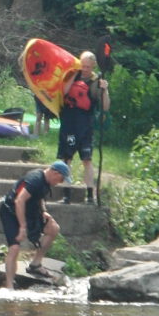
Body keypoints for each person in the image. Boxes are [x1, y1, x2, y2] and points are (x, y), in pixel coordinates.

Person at [0, 162, 68, 289]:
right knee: (14, 248)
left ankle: (35, 265)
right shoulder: (35, 179)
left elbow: (39, 197)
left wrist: (44, 211)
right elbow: (19, 200)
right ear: (55, 173)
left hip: (29, 212)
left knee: (53, 228)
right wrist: (22, 227)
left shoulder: (46, 181)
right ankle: (9, 286)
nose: (60, 182)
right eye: (61, 179)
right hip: (10, 212)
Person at [58, 51, 110, 204]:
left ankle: (90, 196)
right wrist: (73, 75)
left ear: (93, 66)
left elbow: (105, 107)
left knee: (87, 160)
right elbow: (63, 92)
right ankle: (66, 194)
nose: (85, 69)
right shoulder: (72, 74)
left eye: (88, 66)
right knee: (66, 158)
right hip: (69, 123)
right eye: (83, 65)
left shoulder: (96, 81)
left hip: (85, 125)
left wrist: (105, 90)